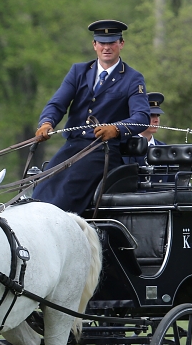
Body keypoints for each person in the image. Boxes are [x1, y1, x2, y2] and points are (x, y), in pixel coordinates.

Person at [32, 20, 151, 215]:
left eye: (112, 42)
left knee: (67, 190)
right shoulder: (78, 72)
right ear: (94, 45)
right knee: (43, 185)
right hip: (73, 146)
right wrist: (47, 122)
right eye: (102, 43)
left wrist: (116, 129)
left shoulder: (132, 78)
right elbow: (58, 103)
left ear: (121, 44)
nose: (106, 47)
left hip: (104, 150)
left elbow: (142, 116)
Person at [126, 91, 166, 168]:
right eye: (151, 115)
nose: (156, 120)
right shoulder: (129, 146)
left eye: (157, 115)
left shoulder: (162, 147)